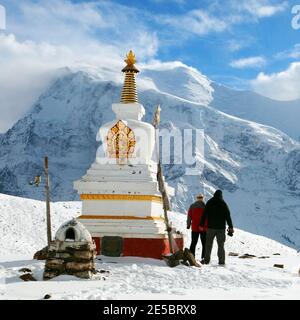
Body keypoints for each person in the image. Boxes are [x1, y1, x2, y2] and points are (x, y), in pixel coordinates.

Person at [199, 190, 234, 265]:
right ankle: (221, 261)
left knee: (208, 244)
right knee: (221, 246)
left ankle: (206, 260)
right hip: (221, 229)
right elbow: (228, 216)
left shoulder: (209, 202)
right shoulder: (223, 203)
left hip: (210, 228)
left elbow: (204, 214)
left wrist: (201, 225)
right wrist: (230, 226)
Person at [187, 194, 207, 259]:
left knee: (193, 243)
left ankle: (191, 257)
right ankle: (204, 257)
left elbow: (189, 216)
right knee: (204, 244)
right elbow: (208, 217)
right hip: (204, 228)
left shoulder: (192, 206)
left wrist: (188, 224)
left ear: (197, 198)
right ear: (202, 198)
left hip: (195, 227)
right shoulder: (205, 206)